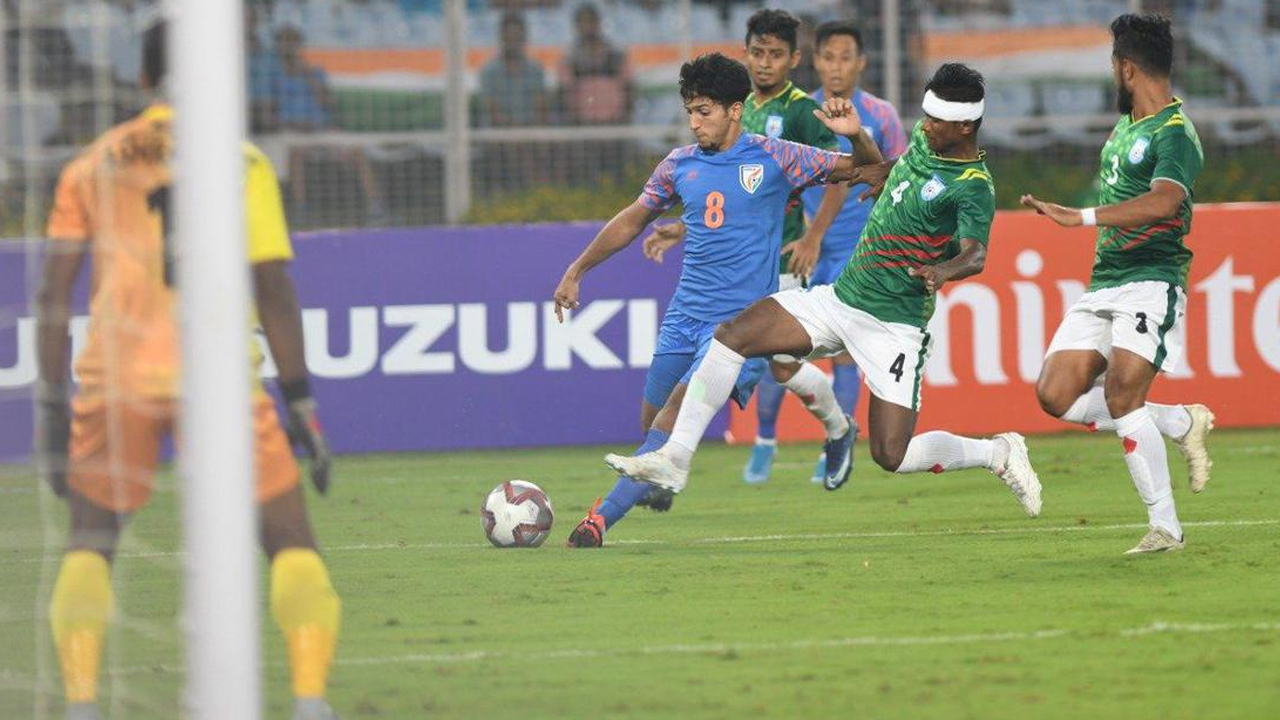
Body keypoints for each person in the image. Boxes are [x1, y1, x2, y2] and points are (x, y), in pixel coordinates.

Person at [34, 22, 342, 720]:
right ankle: (308, 701)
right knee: (290, 542)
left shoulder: (92, 163)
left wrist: (51, 409)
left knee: (90, 542)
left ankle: (80, 704)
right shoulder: (241, 162)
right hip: (217, 378)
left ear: (143, 79)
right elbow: (274, 289)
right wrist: (300, 404)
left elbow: (53, 294)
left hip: (117, 377)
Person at [606, 64, 1044, 523]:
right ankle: (675, 459)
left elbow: (976, 255)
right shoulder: (925, 141)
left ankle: (997, 453)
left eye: (937, 121)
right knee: (733, 335)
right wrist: (875, 161)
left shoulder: (974, 186)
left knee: (891, 454)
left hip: (894, 324)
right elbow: (896, 166)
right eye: (926, 116)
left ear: (966, 127)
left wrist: (942, 270)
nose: (925, 126)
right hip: (842, 298)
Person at [555, 52, 883, 548]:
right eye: (690, 111)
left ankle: (597, 523)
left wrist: (856, 135)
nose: (694, 122)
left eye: (703, 111)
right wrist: (577, 269)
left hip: (741, 329)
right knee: (652, 424)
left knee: (671, 420)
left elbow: (867, 167)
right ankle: (836, 427)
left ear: (735, 110)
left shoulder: (776, 156)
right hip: (683, 317)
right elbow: (633, 219)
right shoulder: (678, 164)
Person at [1020, 13, 1214, 555]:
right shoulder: (1124, 127)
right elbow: (1120, 194)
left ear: (1126, 68)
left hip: (1153, 279)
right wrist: (1073, 211)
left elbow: (1165, 202)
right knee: (1055, 395)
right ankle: (1178, 421)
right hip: (1105, 282)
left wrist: (1080, 217)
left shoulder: (1175, 132)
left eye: (1112, 65)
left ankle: (1165, 528)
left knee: (1123, 394)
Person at [644, 9, 858, 490]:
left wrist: (814, 237)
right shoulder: (732, 104)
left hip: (782, 258)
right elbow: (723, 198)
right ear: (746, 54)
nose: (765, 63)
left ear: (793, 60)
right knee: (777, 366)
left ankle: (836, 429)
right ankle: (832, 429)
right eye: (758, 53)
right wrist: (681, 228)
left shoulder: (801, 111)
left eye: (775, 55)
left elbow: (841, 173)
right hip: (738, 267)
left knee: (777, 365)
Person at [795, 19, 908, 483]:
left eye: (846, 57)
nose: (837, 66)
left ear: (861, 63)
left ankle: (836, 446)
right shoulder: (801, 113)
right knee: (783, 355)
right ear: (815, 61)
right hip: (805, 245)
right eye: (828, 57)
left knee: (842, 351)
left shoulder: (881, 115)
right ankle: (809, 436)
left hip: (862, 247)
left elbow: (900, 172)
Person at [270, 24, 389, 224]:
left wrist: (307, 75)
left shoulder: (315, 72)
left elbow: (329, 102)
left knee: (357, 150)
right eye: (285, 42)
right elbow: (271, 112)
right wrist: (294, 124)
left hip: (322, 129)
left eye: (293, 42)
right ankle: (300, 209)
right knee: (295, 154)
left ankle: (376, 206)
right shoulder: (273, 76)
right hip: (293, 132)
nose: (289, 47)